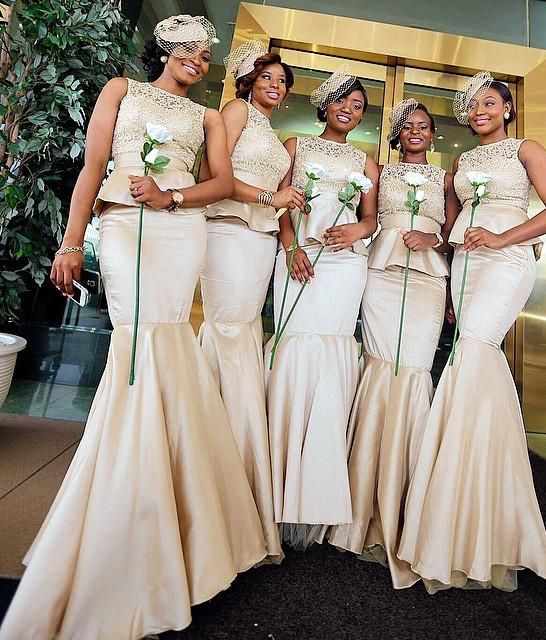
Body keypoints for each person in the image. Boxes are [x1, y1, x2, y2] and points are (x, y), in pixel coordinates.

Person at [0, 16, 266, 640]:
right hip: (122, 226)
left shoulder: (207, 117)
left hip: (181, 230)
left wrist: (172, 198)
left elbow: (221, 183)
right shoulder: (120, 89)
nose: (198, 59)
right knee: (137, 338)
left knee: (167, 338)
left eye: (206, 54)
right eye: (189, 49)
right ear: (164, 50)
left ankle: (178, 503)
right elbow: (94, 167)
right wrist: (71, 242)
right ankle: (132, 489)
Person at [398, 72, 546, 593]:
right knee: (469, 358)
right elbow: (454, 227)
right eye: (473, 104)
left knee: (476, 350)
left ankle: (470, 507)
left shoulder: (527, 149)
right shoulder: (462, 162)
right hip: (467, 265)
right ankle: (464, 497)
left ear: (507, 108)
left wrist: (505, 237)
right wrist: (451, 271)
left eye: (490, 102)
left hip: (506, 260)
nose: (480, 110)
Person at [329, 99, 458, 589]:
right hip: (381, 276)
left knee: (413, 370)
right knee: (381, 365)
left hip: (427, 280)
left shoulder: (447, 179)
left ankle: (408, 504)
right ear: (397, 135)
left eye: (423, 126)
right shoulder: (378, 173)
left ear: (433, 134)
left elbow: (454, 234)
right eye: (407, 127)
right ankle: (360, 501)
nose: (416, 132)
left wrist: (434, 241)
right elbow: (363, 216)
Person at [266, 68, 379, 548]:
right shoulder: (295, 147)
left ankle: (318, 490)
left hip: (344, 265)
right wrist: (291, 247)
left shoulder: (367, 161)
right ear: (325, 104)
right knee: (294, 348)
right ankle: (275, 481)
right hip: (298, 259)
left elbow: (371, 219)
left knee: (331, 353)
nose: (349, 110)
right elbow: (281, 206)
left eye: (358, 106)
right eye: (342, 101)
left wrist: (357, 230)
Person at [199, 39, 300, 563]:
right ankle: (211, 456)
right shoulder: (234, 112)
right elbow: (213, 178)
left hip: (261, 240)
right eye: (268, 77)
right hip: (229, 230)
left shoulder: (275, 134)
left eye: (282, 81)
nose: (275, 86)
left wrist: (289, 229)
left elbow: (280, 202)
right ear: (248, 81)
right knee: (228, 332)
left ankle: (239, 462)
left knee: (243, 334)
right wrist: (268, 197)